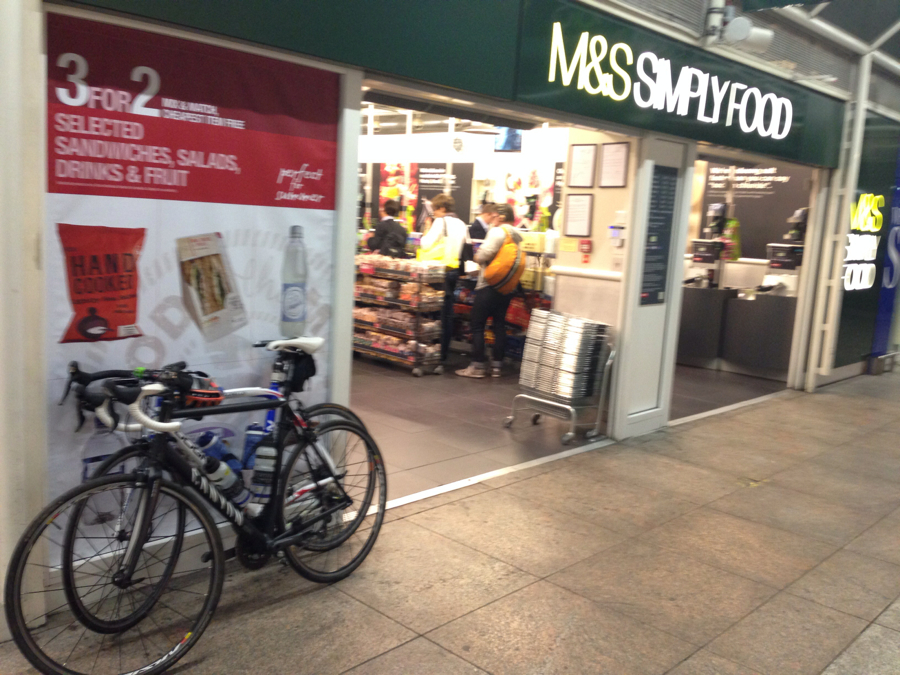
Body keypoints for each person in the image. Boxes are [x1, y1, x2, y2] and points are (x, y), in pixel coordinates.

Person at [457, 203, 522, 379]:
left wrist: (477, 256)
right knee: (499, 325)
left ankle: (477, 366)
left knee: (477, 324)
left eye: (494, 216)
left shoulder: (498, 232)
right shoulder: (516, 235)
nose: (492, 220)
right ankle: (497, 366)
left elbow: (483, 255)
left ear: (501, 217)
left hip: (489, 285)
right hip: (506, 287)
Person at [419, 194, 469, 373]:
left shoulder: (440, 222)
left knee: (431, 311)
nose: (434, 213)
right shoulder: (462, 224)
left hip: (438, 272)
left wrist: (427, 228)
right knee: (447, 313)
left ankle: (429, 351)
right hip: (453, 270)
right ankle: (443, 354)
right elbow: (467, 249)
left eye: (435, 209)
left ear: (441, 208)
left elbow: (425, 244)